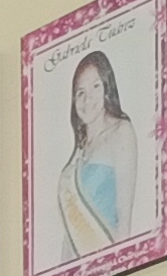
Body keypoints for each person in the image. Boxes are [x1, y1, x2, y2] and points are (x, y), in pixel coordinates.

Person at [55, 48, 137, 260]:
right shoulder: (79, 148)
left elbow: (124, 217)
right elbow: (69, 235)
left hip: (106, 257)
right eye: (80, 92)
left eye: (95, 86)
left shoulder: (121, 132)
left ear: (107, 87)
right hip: (75, 264)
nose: (87, 99)